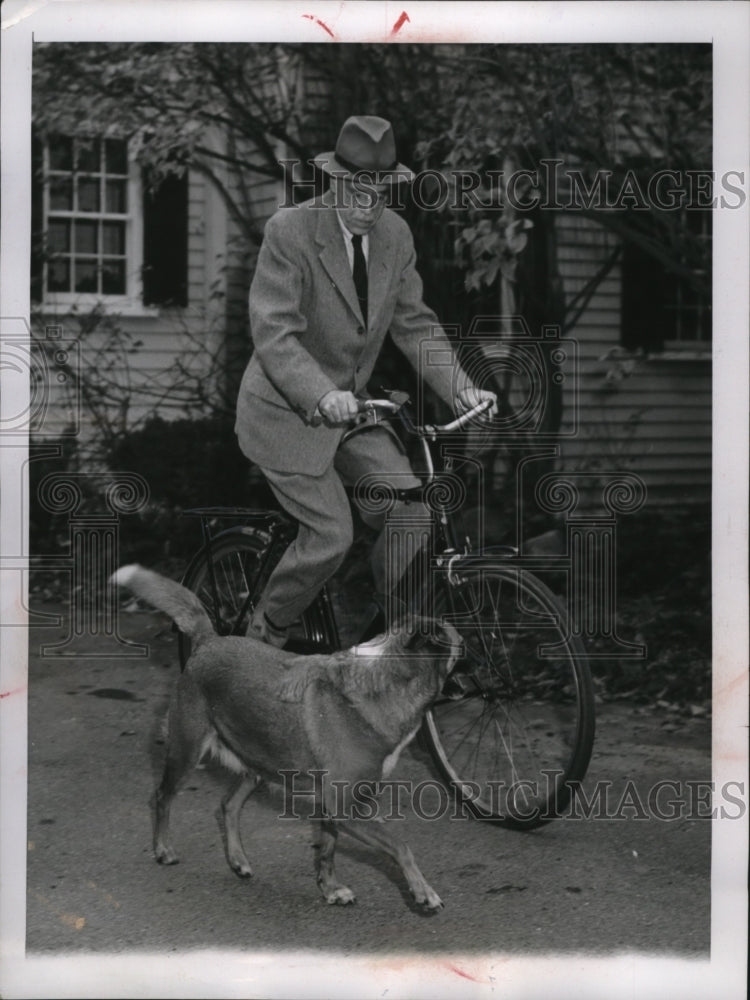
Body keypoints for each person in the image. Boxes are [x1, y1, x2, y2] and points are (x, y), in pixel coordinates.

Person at [235, 115, 497, 647]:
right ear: (334, 178)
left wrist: (462, 388)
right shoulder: (291, 231)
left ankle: (388, 645)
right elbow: (275, 332)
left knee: (413, 515)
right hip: (285, 412)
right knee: (331, 535)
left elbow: (414, 323)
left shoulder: (396, 236)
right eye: (358, 186)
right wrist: (321, 393)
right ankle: (266, 635)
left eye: (381, 187)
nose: (368, 201)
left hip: (352, 414)